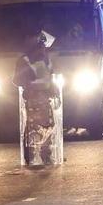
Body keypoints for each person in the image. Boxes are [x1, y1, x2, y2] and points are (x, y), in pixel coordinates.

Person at [13, 31, 62, 165]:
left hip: (43, 99)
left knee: (45, 127)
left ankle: (43, 155)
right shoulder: (27, 60)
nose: (43, 48)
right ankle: (34, 155)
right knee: (34, 127)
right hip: (35, 100)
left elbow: (50, 77)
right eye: (41, 46)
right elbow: (17, 80)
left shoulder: (45, 60)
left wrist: (54, 90)